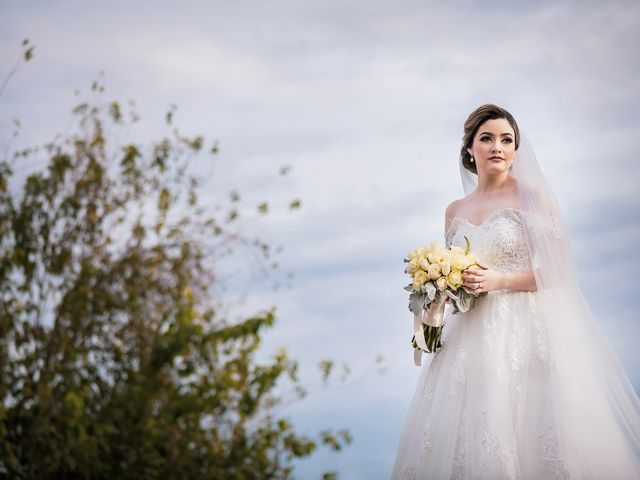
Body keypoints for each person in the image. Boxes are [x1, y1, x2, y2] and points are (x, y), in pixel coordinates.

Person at [391, 104, 640, 479]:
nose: (498, 147)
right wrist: (436, 295)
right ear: (469, 148)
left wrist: (499, 281)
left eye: (507, 140)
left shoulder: (532, 195)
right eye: (487, 138)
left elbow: (559, 273)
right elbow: (457, 274)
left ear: (516, 150)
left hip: (527, 332)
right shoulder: (454, 210)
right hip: (469, 339)